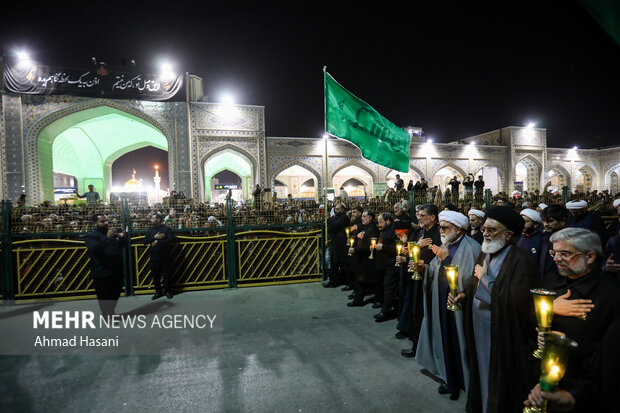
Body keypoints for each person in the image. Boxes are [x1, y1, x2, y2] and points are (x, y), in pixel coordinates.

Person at [524, 227, 620, 412]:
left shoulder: (611, 295)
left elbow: (609, 358)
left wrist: (563, 343)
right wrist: (549, 310)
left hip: (582, 389)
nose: (556, 259)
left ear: (590, 256)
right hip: (541, 377)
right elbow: (529, 317)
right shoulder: (552, 281)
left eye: (564, 253)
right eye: (554, 252)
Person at [463, 206, 539, 413]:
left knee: (497, 375)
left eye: (491, 230)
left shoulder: (521, 260)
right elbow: (474, 284)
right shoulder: (485, 252)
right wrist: (463, 294)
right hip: (480, 329)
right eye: (485, 229)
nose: (485, 234)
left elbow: (516, 301)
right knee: (481, 370)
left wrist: (484, 278)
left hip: (501, 331)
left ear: (509, 235)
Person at [415, 210, 480, 401]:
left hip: (459, 305)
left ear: (458, 229)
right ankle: (449, 378)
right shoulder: (446, 244)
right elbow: (435, 270)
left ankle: (461, 381)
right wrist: (423, 267)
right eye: (441, 227)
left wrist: (446, 259)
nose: (441, 231)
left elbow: (468, 279)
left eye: (444, 227)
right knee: (446, 340)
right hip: (442, 301)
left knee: (459, 342)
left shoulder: (470, 247)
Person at [399, 203, 442, 357]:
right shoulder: (421, 232)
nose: (419, 218)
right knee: (416, 310)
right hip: (416, 277)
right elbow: (414, 251)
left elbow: (439, 256)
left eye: (422, 215)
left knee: (425, 313)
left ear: (432, 217)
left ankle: (424, 348)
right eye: (418, 215)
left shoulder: (438, 234)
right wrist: (411, 256)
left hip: (430, 278)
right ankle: (417, 344)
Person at [85, 213, 126, 317]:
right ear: (95, 223)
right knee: (104, 296)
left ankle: (109, 312)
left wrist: (122, 238)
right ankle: (107, 314)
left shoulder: (111, 233)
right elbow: (94, 249)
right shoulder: (91, 236)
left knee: (115, 293)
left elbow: (121, 247)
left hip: (115, 270)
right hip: (101, 271)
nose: (106, 223)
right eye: (102, 221)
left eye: (106, 221)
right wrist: (107, 237)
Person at [348, 210, 379, 306]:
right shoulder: (365, 227)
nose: (362, 218)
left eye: (365, 216)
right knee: (360, 280)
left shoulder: (372, 229)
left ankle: (359, 300)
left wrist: (355, 250)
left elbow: (369, 246)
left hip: (365, 259)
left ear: (370, 218)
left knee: (361, 280)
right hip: (361, 258)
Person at [373, 213, 399, 322]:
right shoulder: (383, 231)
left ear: (388, 221)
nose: (379, 224)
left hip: (391, 265)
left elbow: (397, 247)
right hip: (382, 264)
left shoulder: (394, 231)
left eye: (381, 222)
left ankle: (386, 312)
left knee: (389, 288)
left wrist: (382, 247)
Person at [144, 213, 175, 299]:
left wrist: (158, 242)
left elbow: (170, 240)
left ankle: (167, 291)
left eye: (153, 218)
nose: (151, 220)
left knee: (166, 274)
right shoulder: (150, 230)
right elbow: (145, 241)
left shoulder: (166, 229)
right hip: (154, 256)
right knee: (155, 275)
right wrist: (155, 237)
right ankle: (158, 292)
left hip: (165, 256)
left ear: (158, 219)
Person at [539, 204, 569, 281]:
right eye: (544, 221)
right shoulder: (545, 237)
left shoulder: (569, 239)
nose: (546, 224)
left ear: (563, 221)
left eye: (550, 221)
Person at [324, 203, 350, 288]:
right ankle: (333, 281)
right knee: (334, 263)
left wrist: (329, 219)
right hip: (335, 243)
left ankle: (344, 281)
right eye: (335, 209)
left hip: (341, 245)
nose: (336, 210)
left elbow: (333, 226)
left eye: (338, 209)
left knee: (342, 264)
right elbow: (331, 228)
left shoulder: (344, 217)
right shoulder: (337, 217)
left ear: (343, 209)